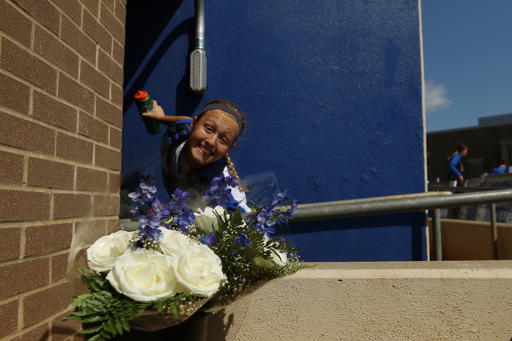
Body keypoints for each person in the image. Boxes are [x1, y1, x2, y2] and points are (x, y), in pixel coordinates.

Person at [142, 99, 250, 211]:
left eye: (223, 139)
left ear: (229, 148)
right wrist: (161, 118)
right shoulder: (177, 133)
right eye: (208, 129)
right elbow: (184, 121)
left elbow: (243, 219)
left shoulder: (223, 189)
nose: (211, 141)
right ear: (193, 125)